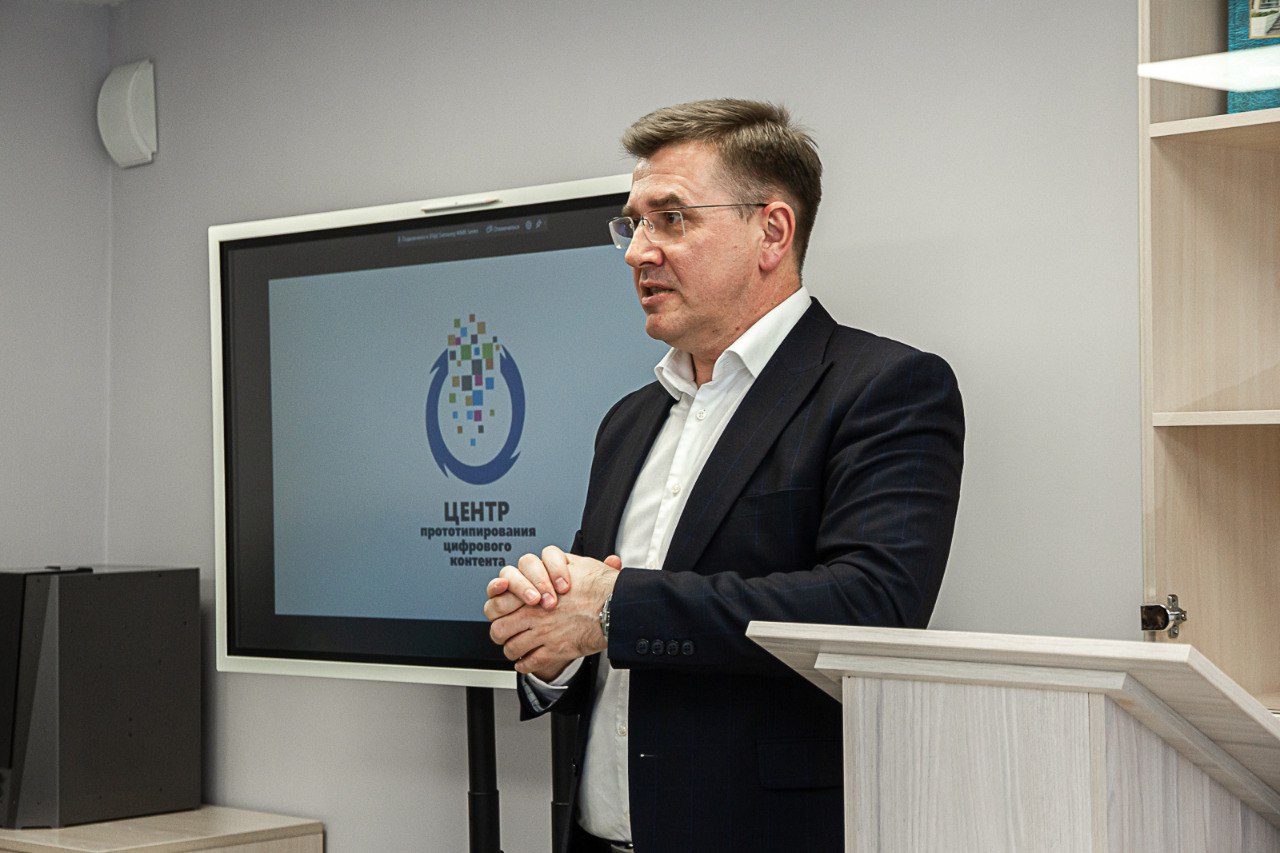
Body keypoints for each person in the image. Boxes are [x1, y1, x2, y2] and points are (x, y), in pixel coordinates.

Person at [484, 98, 964, 853]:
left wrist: (611, 608)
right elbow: (603, 631)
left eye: (671, 219)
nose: (638, 253)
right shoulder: (628, 420)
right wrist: (552, 642)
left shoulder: (884, 387)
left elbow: (874, 605)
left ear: (772, 231)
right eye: (633, 224)